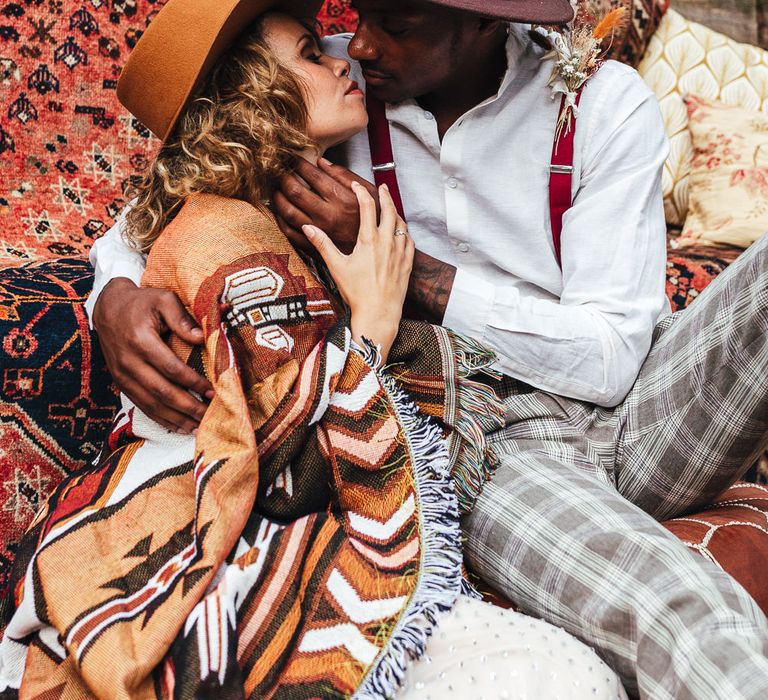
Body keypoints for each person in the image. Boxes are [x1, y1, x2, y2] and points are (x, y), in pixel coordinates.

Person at [87, 0, 768, 698]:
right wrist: (111, 292)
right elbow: (191, 176)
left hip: (642, 410)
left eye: (398, 24)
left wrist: (413, 273)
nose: (360, 43)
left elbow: (611, 361)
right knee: (681, 603)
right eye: (361, 13)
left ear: (484, 23)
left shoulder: (602, 103)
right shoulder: (338, 84)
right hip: (489, 437)